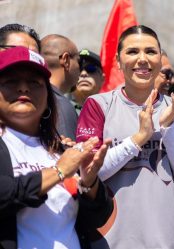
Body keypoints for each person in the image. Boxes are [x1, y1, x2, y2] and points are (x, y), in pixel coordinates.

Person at [76, 25, 174, 249]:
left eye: (150, 51)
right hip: (111, 241)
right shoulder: (98, 105)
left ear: (160, 58)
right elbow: (88, 172)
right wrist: (138, 139)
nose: (143, 59)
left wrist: (168, 127)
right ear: (118, 60)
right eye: (133, 52)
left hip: (170, 241)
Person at [0, 46, 113, 249]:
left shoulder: (62, 150)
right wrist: (58, 172)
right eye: (11, 81)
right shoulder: (63, 162)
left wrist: (89, 183)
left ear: (48, 98)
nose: (23, 88)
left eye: (34, 83)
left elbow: (97, 219)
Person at [40, 34, 80, 140]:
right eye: (79, 61)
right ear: (66, 60)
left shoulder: (34, 97)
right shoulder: (59, 104)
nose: (81, 69)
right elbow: (67, 154)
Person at [71, 49, 104, 114]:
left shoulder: (112, 111)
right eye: (78, 69)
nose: (83, 73)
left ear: (102, 78)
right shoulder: (58, 108)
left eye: (91, 68)